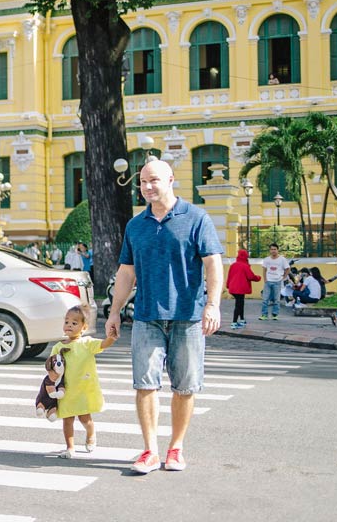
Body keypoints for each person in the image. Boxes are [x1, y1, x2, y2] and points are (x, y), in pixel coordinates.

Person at [106, 159, 223, 475]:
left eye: (153, 180)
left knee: (185, 387)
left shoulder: (196, 218)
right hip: (146, 316)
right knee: (144, 384)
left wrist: (212, 305)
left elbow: (213, 264)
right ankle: (149, 450)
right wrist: (114, 312)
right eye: (143, 182)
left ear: (171, 180)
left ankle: (176, 448)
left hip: (188, 316)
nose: (147, 187)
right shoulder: (136, 225)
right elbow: (126, 273)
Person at [53, 305, 116, 459]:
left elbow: (102, 344)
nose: (69, 325)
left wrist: (111, 338)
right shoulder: (58, 346)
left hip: (82, 390)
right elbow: (51, 366)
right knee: (67, 420)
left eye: (74, 323)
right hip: (66, 390)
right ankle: (70, 447)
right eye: (67, 321)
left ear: (84, 327)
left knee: (85, 419)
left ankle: (91, 434)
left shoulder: (87, 343)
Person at [226, 249, 261, 329]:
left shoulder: (233, 265)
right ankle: (234, 322)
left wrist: (228, 285)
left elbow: (229, 276)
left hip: (233, 287)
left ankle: (242, 319)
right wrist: (258, 278)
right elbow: (251, 276)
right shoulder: (245, 266)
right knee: (239, 305)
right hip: (240, 288)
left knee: (240, 304)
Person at [258, 243, 288, 321]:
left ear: (277, 250)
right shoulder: (266, 259)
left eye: (275, 249)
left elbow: (287, 268)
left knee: (276, 299)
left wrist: (283, 277)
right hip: (268, 281)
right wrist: (265, 279)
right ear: (269, 250)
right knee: (265, 299)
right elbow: (264, 270)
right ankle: (264, 314)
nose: (273, 251)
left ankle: (275, 314)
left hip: (277, 281)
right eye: (271, 249)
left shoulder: (282, 259)